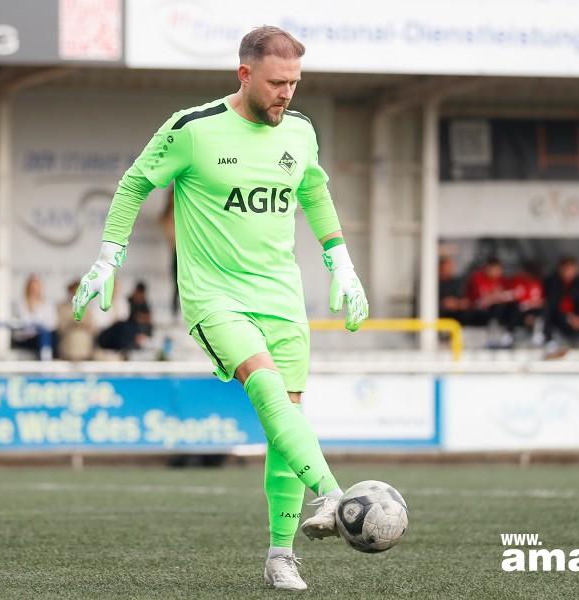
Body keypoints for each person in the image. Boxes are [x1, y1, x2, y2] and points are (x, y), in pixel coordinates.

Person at [72, 26, 368, 591]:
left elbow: (314, 191)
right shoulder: (193, 129)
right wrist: (109, 256)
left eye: (294, 83)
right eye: (277, 83)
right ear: (244, 74)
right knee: (267, 389)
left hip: (282, 297)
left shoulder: (301, 131)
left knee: (287, 423)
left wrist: (342, 263)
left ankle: (281, 554)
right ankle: (335, 494)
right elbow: (133, 185)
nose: (287, 93)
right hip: (216, 297)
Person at [543, 255, 579, 347]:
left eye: (572, 270)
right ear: (560, 269)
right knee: (550, 319)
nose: (569, 273)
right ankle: (550, 341)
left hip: (574, 316)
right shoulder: (552, 282)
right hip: (557, 317)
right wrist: (568, 317)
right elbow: (552, 306)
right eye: (567, 269)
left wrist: (578, 318)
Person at [465, 256, 517, 347]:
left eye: (499, 269)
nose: (498, 272)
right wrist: (494, 297)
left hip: (498, 311)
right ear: (488, 268)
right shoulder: (477, 278)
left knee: (514, 306)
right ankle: (492, 333)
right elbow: (480, 301)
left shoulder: (502, 280)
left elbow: (510, 295)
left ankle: (508, 334)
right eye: (496, 269)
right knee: (496, 307)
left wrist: (497, 296)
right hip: (479, 312)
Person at [96, 281, 154, 355]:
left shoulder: (122, 302)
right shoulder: (99, 302)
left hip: (120, 333)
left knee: (131, 329)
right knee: (125, 328)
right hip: (105, 334)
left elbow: (125, 319)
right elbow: (100, 324)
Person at [12, 274, 58, 358]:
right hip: (26, 338)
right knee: (43, 337)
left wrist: (39, 324)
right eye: (32, 287)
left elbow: (52, 323)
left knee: (51, 336)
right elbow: (24, 322)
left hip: (43, 336)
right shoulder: (20, 303)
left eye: (36, 287)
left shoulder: (47, 303)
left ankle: (49, 358)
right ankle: (45, 358)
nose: (34, 290)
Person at [56, 280, 96, 361]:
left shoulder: (87, 309)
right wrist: (73, 323)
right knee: (74, 337)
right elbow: (60, 327)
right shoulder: (62, 307)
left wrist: (83, 324)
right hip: (69, 339)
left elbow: (93, 328)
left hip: (84, 340)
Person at [510, 261, 545, 343]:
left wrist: (531, 312)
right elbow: (516, 299)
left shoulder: (537, 284)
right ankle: (509, 333)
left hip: (533, 313)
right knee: (516, 308)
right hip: (520, 313)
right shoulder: (518, 281)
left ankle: (539, 332)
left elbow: (540, 301)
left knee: (543, 311)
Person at [438, 256, 470, 323]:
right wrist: (443, 303)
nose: (449, 269)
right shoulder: (432, 284)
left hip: (456, 317)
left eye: (450, 267)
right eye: (446, 267)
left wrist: (457, 303)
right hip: (439, 316)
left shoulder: (458, 283)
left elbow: (465, 302)